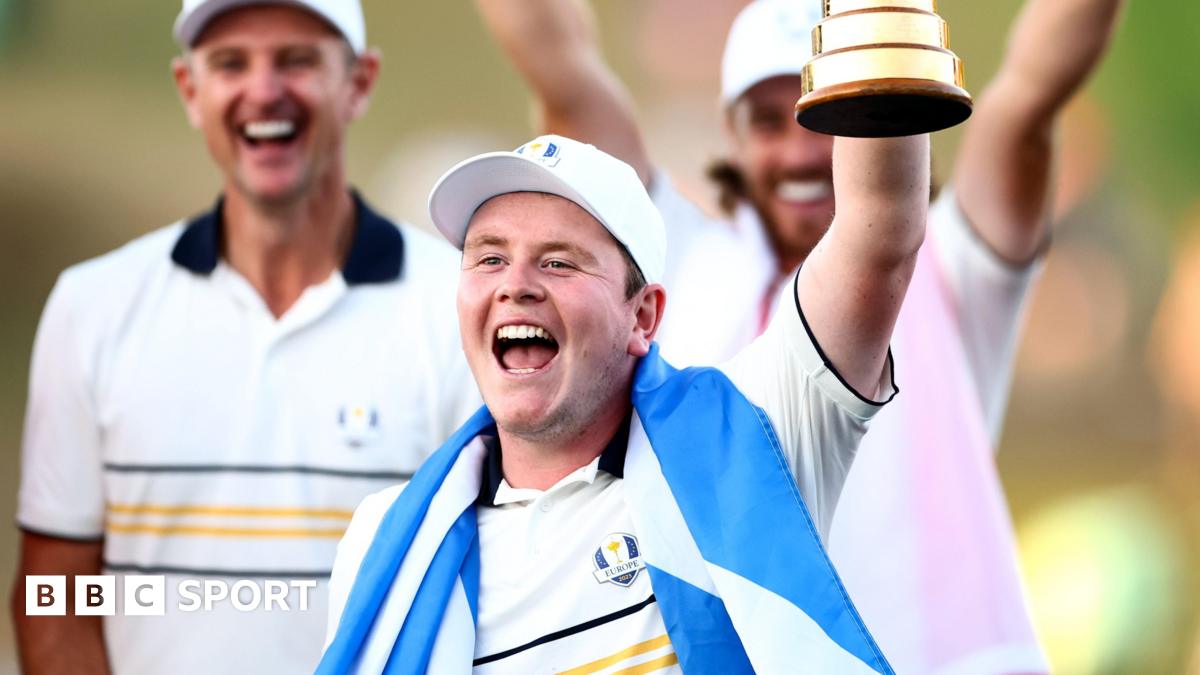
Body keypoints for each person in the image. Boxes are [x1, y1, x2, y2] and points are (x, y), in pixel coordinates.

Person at [473, 0, 1124, 671]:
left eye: (823, 111)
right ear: (730, 135)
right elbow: (561, 70)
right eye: (767, 120)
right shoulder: (672, 267)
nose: (803, 149)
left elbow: (1030, 94)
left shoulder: (947, 259)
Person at [319, 127, 927, 673]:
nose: (516, 286)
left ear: (642, 316)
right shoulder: (384, 537)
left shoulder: (753, 435)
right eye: (490, 258)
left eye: (559, 263)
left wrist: (873, 22)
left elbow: (880, 234)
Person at [10, 1, 479, 673]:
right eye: (231, 63)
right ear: (190, 91)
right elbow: (54, 593)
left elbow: (500, 582)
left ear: (360, 83)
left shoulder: (456, 307)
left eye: (297, 59)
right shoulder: (92, 306)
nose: (264, 89)